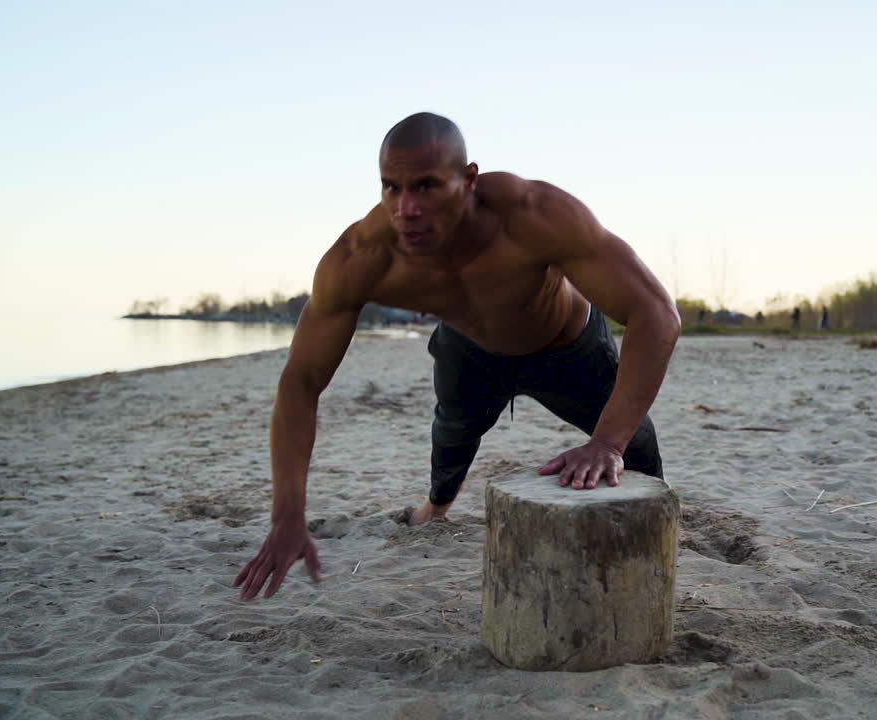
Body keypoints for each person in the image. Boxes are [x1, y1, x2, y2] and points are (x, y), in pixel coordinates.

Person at [234, 112, 681, 601]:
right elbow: (299, 384)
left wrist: (607, 442)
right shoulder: (362, 257)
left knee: (634, 443)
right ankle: (435, 508)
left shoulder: (533, 215)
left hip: (565, 346)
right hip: (469, 350)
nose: (406, 208)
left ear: (468, 180)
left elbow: (656, 314)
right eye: (392, 188)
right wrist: (287, 515)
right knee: (451, 435)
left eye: (426, 187)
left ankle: (656, 531)